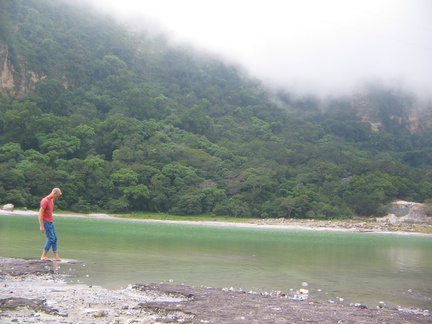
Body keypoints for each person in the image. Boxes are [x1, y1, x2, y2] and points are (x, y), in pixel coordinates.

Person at [38, 188, 62, 261]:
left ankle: (56, 256)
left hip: (50, 222)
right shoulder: (45, 201)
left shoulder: (51, 200)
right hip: (45, 222)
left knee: (55, 238)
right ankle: (43, 255)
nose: (57, 197)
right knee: (51, 238)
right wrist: (41, 225)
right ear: (54, 193)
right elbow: (40, 213)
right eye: (57, 196)